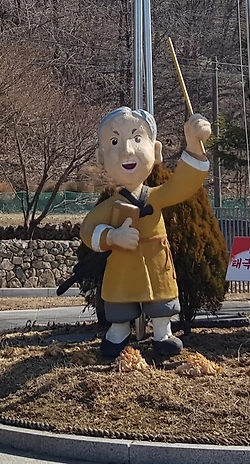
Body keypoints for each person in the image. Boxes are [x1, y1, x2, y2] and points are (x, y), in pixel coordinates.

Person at [80, 106, 211, 358]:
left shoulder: (157, 196)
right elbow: (88, 229)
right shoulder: (110, 206)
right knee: (120, 303)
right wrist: (112, 236)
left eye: (137, 138)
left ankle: (162, 332)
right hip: (122, 267)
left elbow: (183, 185)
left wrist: (194, 145)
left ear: (156, 151)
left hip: (155, 263)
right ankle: (119, 331)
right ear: (101, 158)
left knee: (161, 301)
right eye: (115, 142)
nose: (128, 150)